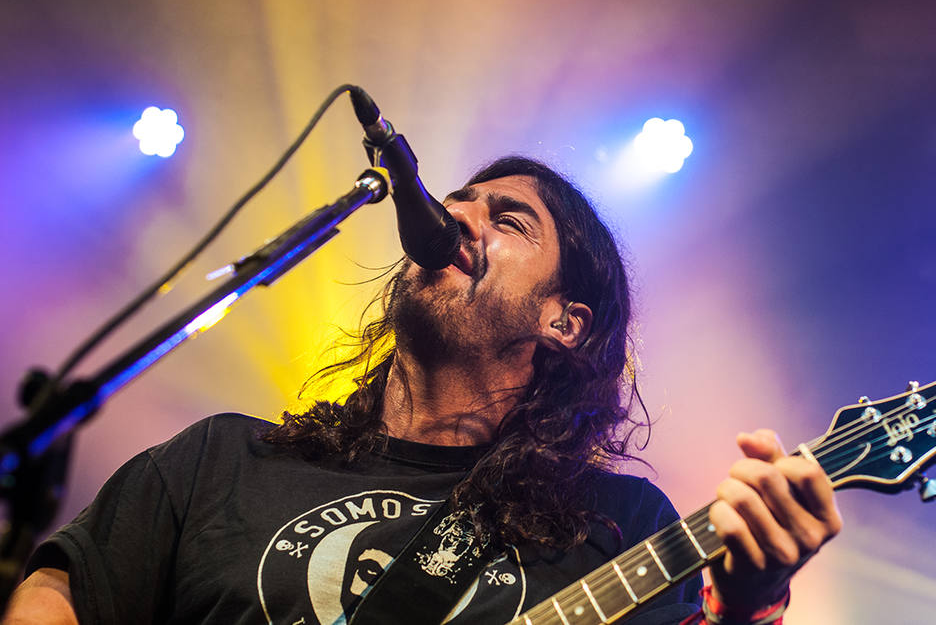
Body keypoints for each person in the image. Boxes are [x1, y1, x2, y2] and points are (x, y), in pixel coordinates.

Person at [3, 156, 841, 624]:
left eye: (508, 219)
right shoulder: (221, 459)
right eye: (459, 200)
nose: (458, 215)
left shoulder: (620, 530)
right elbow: (59, 588)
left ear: (565, 322)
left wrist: (748, 599)